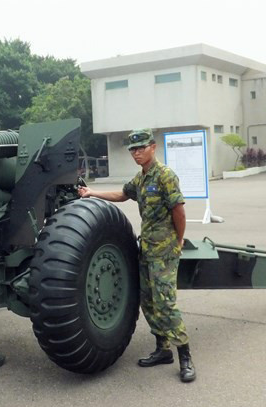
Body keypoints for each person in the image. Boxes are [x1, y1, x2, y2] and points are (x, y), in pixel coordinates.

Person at [78, 128, 195, 383]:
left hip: (164, 251)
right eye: (133, 149)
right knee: (148, 301)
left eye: (141, 148)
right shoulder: (141, 179)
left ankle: (185, 355)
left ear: (153, 147)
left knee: (165, 303)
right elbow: (122, 194)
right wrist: (92, 193)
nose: (136, 153)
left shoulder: (165, 175)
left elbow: (179, 211)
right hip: (147, 250)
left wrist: (178, 240)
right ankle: (163, 349)